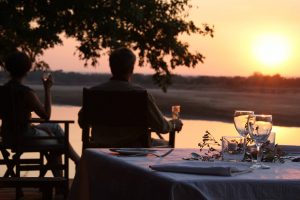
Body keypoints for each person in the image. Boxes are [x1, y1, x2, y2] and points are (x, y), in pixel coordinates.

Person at [78, 47, 183, 147]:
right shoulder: (141, 95)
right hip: (133, 150)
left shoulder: (94, 93)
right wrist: (175, 123)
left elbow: (82, 122)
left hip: (99, 149)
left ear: (111, 67)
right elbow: (162, 127)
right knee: (163, 143)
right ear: (132, 68)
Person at [0, 51, 80, 171]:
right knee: (57, 140)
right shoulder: (26, 93)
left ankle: (75, 163)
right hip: (24, 137)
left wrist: (31, 125)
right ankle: (60, 179)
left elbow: (13, 117)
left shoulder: (1, 91)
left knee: (54, 128)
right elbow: (46, 115)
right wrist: (47, 89)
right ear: (27, 70)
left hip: (7, 137)